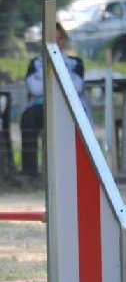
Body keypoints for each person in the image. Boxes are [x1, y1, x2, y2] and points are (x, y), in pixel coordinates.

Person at [20, 22, 90, 179]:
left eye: (60, 38)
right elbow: (34, 88)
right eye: (52, 39)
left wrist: (46, 80)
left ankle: (77, 171)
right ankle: (30, 174)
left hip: (69, 107)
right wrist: (62, 82)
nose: (57, 42)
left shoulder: (75, 63)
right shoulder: (35, 64)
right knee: (28, 118)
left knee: (78, 121)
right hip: (41, 107)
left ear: (64, 40)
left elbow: (77, 87)